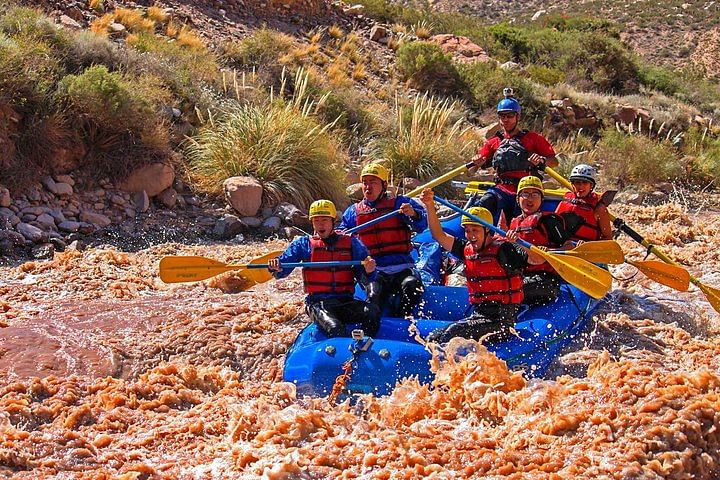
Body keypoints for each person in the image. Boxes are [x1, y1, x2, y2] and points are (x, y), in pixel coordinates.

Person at [419, 188, 529, 344]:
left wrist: (518, 243)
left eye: (475, 230)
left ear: (487, 231)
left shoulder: (505, 250)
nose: (470, 235)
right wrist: (429, 205)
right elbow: (438, 235)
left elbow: (535, 261)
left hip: (503, 321)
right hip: (480, 315)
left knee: (450, 334)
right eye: (467, 230)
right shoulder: (466, 249)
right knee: (435, 336)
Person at [268, 199, 380, 337]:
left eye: (324, 220)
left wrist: (369, 271)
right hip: (318, 304)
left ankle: (365, 342)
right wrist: (276, 267)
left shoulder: (351, 242)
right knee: (335, 328)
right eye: (316, 220)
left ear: (333, 221)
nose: (320, 225)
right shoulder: (303, 244)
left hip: (345, 301)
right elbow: (282, 268)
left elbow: (364, 275)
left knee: (372, 311)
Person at [339, 162, 428, 318]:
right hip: (374, 270)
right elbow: (340, 237)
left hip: (402, 267)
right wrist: (338, 237)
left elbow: (422, 225)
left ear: (384, 185)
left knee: (411, 286)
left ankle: (402, 320)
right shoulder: (353, 212)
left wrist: (413, 214)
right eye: (365, 183)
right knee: (374, 293)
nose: (368, 187)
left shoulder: (400, 204)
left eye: (373, 182)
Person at [470, 88, 558, 226]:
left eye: (510, 115)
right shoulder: (494, 142)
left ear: (518, 117)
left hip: (526, 190)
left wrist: (542, 160)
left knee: (520, 220)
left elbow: (554, 162)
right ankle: (483, 238)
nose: (506, 120)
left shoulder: (533, 139)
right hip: (502, 189)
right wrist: (476, 162)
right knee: (486, 201)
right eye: (502, 116)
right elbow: (471, 171)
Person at [505, 176, 569, 306]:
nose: (530, 198)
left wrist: (550, 251)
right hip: (522, 276)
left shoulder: (549, 222)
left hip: (546, 280)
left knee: (511, 290)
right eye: (525, 194)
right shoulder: (514, 224)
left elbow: (567, 247)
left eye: (535, 194)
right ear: (518, 199)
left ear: (541, 199)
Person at [554, 164, 613, 242]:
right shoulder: (565, 200)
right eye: (577, 182)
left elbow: (608, 238)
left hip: (585, 249)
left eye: (585, 183)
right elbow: (554, 225)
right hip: (562, 245)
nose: (581, 186)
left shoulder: (599, 208)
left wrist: (587, 246)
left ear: (591, 185)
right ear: (573, 184)